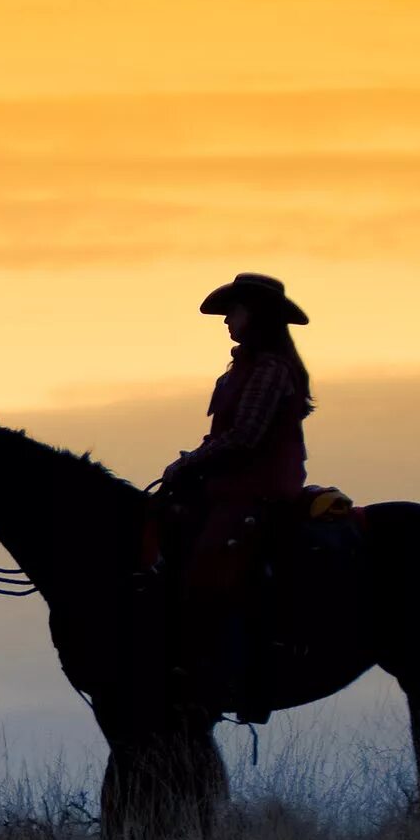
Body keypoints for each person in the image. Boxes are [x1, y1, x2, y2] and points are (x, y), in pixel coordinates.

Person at [160, 273, 313, 715]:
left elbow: (245, 436)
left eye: (236, 311)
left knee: (212, 562)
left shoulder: (268, 370)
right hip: (230, 487)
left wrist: (188, 464)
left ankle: (228, 672)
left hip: (257, 490)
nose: (228, 319)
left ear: (257, 316)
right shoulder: (243, 368)